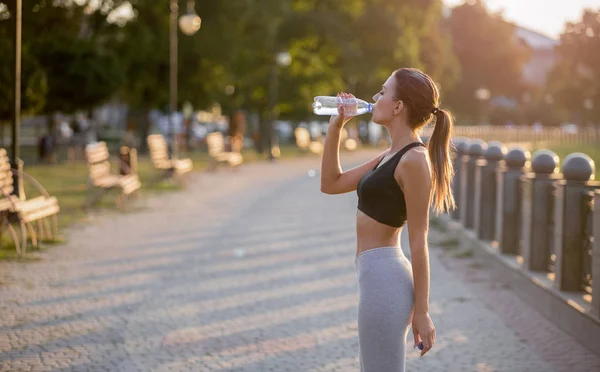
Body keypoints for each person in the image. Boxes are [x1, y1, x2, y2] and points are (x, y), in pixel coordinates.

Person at [320, 68, 455, 371]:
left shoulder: (414, 160)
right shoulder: (389, 155)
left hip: (387, 280)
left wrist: (422, 311)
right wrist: (336, 126)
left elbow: (419, 241)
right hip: (373, 276)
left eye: (382, 91)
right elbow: (331, 183)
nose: (373, 98)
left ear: (398, 106)